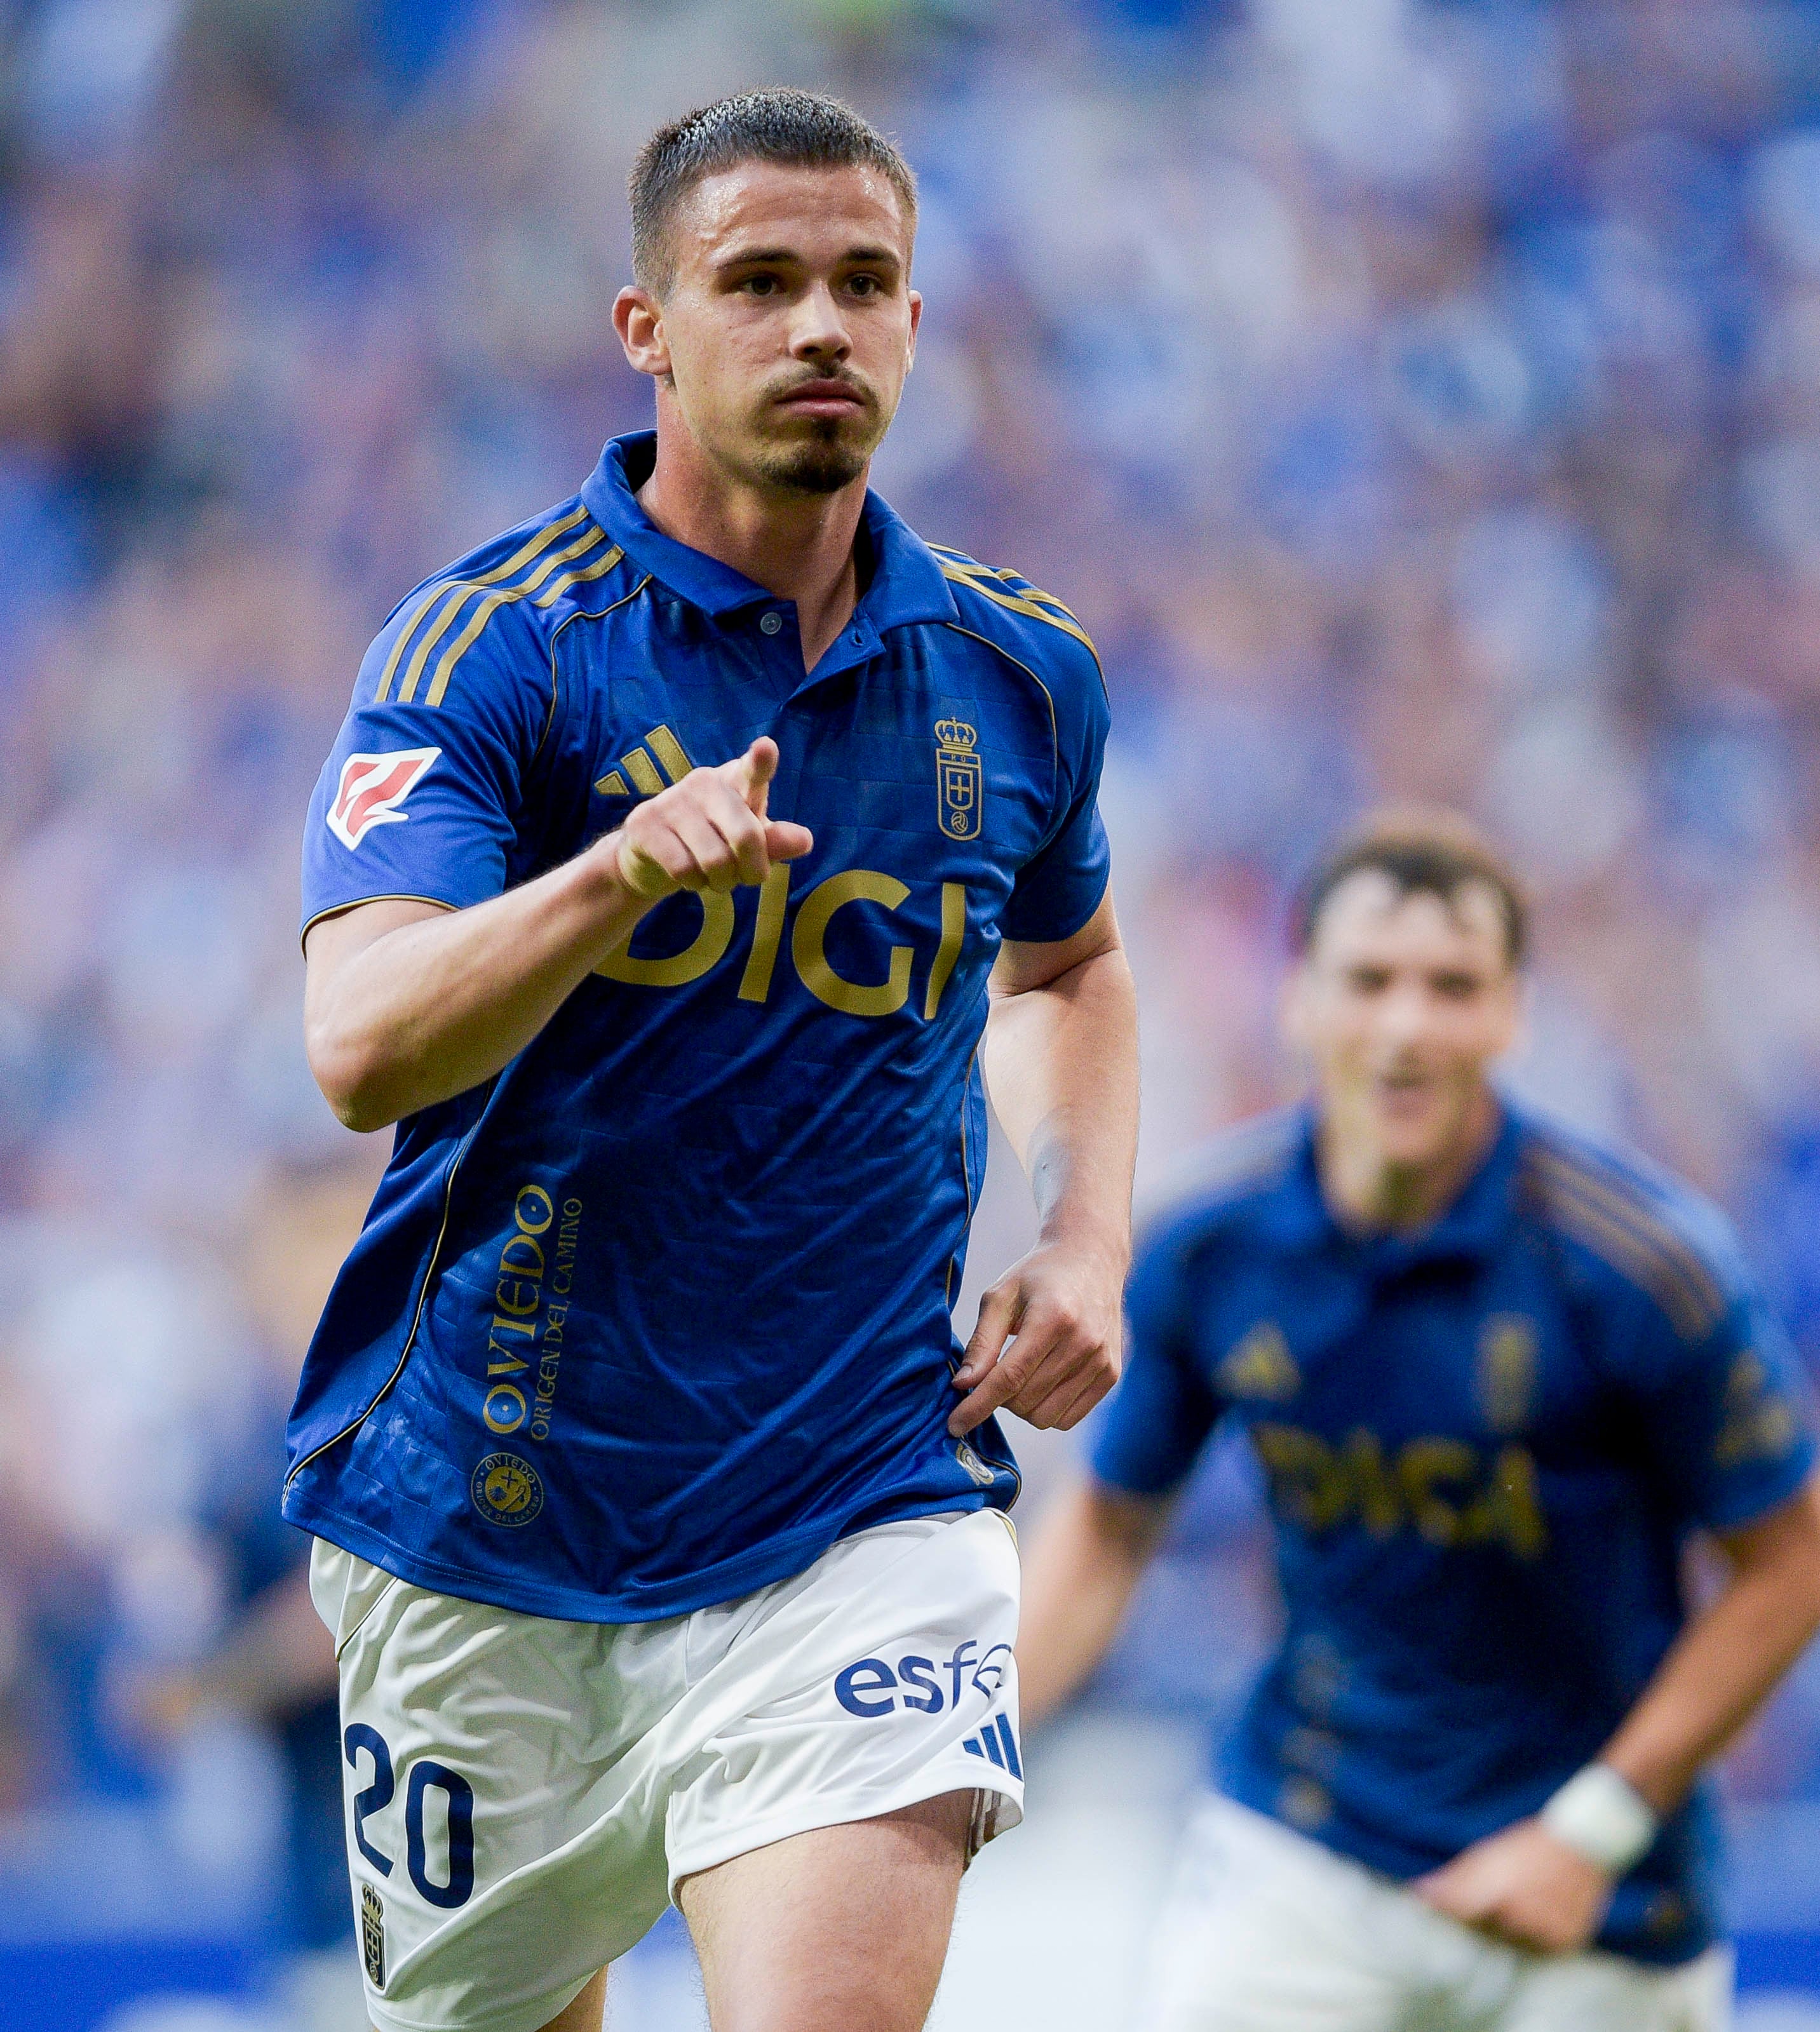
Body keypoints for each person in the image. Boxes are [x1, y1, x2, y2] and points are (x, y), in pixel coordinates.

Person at [290, 89, 1138, 2032]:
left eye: (863, 281)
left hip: (856, 1498)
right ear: (648, 329)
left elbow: (1069, 968)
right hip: (490, 1520)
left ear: (915, 320)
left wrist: (1085, 1235)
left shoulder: (1021, 672)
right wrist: (608, 884)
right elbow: (359, 1044)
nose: (819, 324)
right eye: (758, 282)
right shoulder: (489, 649)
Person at [1019, 814, 1820, 2032]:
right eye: (1369, 982)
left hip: (1596, 1893)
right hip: (1310, 1852)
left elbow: (1799, 1565)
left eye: (1452, 987)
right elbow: (1108, 1526)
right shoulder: (1209, 1247)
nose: (1405, 1027)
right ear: (1297, 1001)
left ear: (1513, 1014)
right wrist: (978, 1755)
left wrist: (1592, 1831)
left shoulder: (1642, 1267)